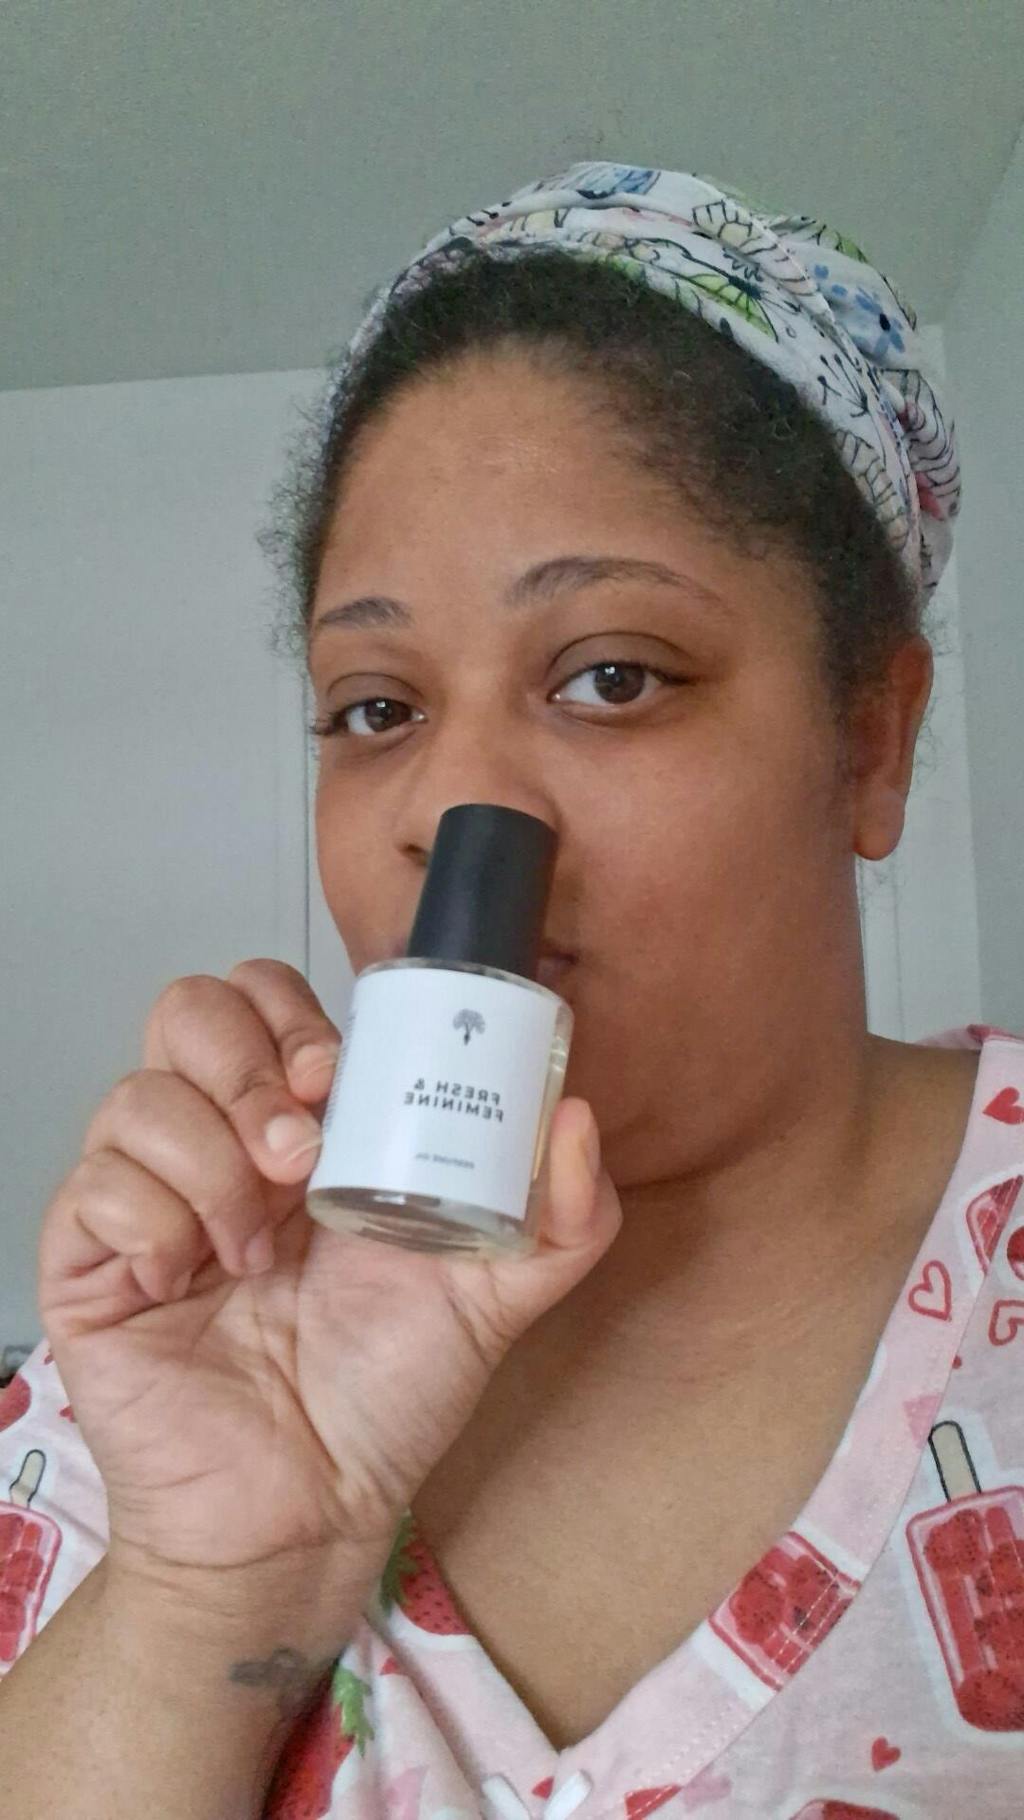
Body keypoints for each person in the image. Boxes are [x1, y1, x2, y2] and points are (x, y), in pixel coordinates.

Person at [1, 159, 1021, 1820]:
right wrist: (207, 1590)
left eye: (613, 677)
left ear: (869, 743)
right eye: (376, 710)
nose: (456, 809)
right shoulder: (174, 1333)